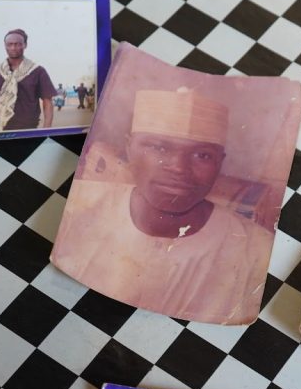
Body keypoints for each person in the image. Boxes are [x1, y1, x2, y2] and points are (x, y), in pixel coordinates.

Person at [51, 88, 273, 325]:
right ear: (129, 148)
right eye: (159, 147)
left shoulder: (255, 249)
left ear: (220, 162)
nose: (178, 168)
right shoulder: (81, 205)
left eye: (202, 155)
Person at [0, 29, 55, 131]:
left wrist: (47, 129)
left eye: (18, 44)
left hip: (25, 127)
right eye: (10, 44)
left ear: (25, 45)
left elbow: (47, 102)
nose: (13, 48)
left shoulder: (37, 71)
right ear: (5, 46)